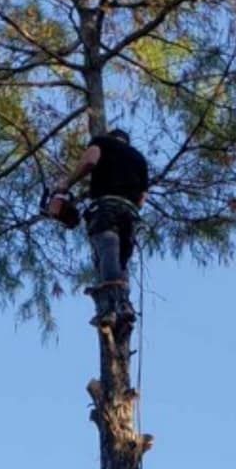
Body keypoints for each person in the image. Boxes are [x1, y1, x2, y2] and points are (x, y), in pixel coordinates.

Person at [47, 128, 149, 331]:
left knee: (107, 250)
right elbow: (141, 200)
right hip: (129, 213)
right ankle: (124, 305)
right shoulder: (139, 159)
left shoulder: (102, 142)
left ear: (111, 138)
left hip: (106, 207)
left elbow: (90, 162)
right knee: (120, 262)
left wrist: (66, 184)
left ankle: (112, 308)